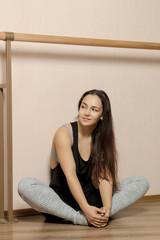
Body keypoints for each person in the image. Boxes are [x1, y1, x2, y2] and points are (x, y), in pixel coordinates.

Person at [18, 89, 149, 228]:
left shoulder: (102, 137)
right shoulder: (64, 133)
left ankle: (101, 214)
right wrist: (85, 209)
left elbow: (104, 177)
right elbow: (70, 175)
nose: (86, 113)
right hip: (63, 203)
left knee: (141, 181)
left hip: (93, 200)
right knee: (25, 185)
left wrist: (107, 207)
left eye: (94, 109)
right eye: (83, 106)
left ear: (102, 115)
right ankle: (81, 218)